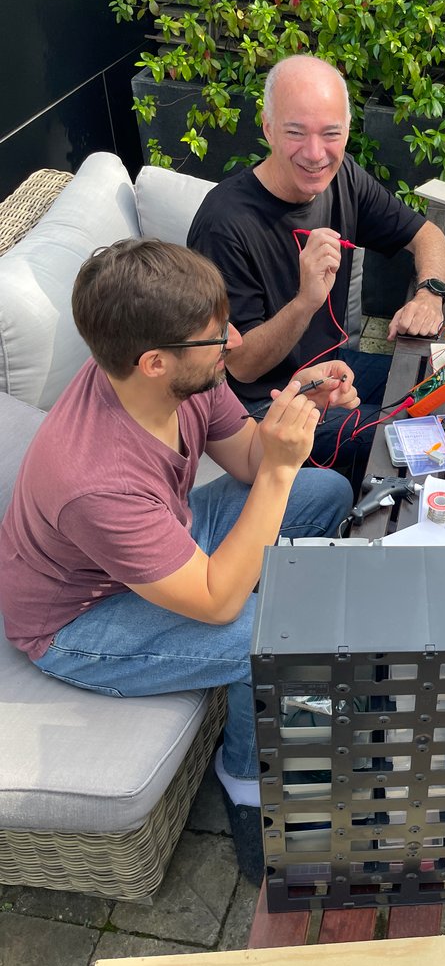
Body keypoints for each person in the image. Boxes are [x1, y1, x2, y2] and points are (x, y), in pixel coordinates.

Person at [0, 239, 354, 884]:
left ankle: (303, 665)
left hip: (167, 537)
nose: (234, 342)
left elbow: (247, 458)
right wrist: (280, 469)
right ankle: (246, 779)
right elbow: (219, 603)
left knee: (325, 491)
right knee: (269, 637)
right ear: (155, 362)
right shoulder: (94, 480)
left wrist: (295, 411)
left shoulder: (183, 376)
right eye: (217, 337)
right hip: (79, 623)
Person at [187, 54, 445, 487]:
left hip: (328, 368)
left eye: (331, 134)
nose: (315, 154)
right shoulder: (224, 224)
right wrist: (307, 300)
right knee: (412, 437)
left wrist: (430, 293)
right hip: (266, 408)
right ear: (268, 128)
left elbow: (427, 235)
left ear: (347, 130)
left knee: (438, 381)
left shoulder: (343, 176)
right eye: (296, 133)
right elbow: (241, 368)